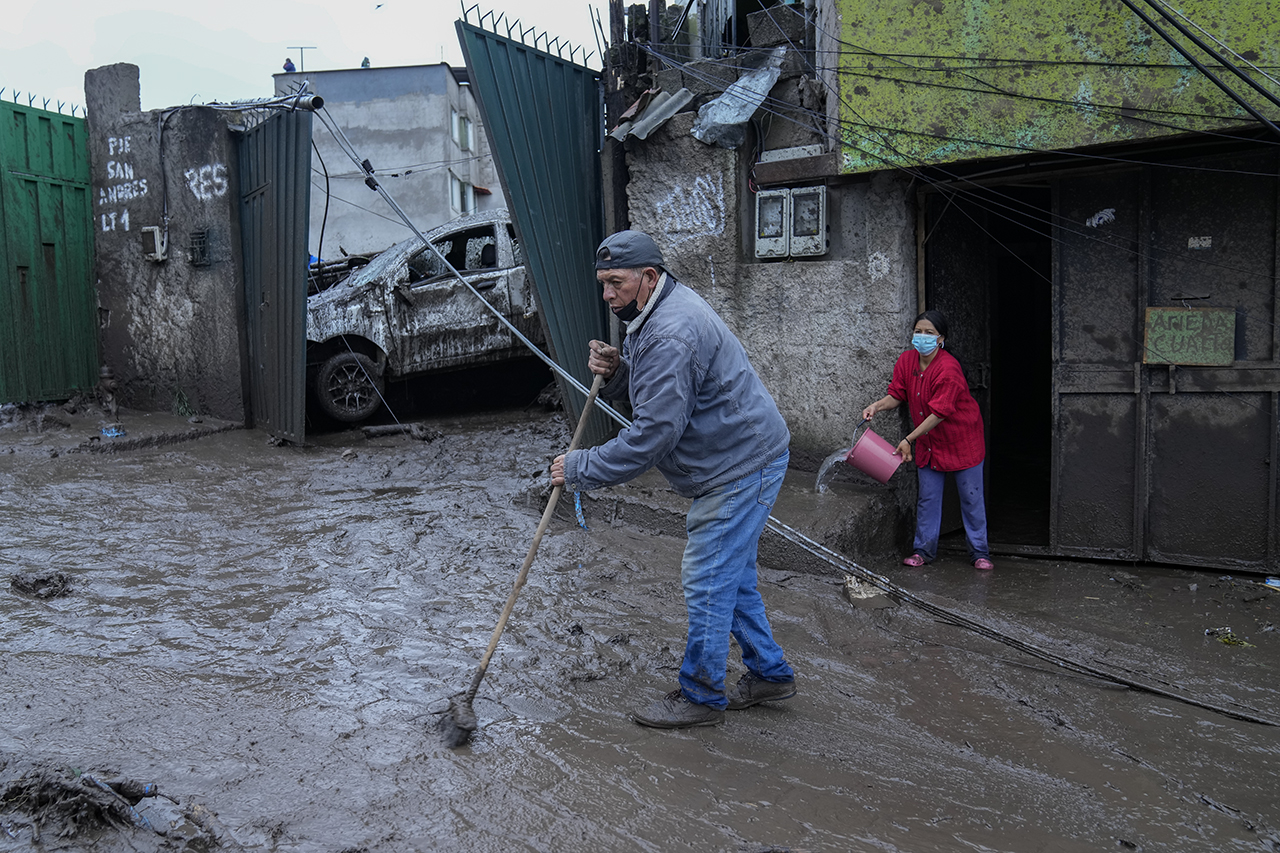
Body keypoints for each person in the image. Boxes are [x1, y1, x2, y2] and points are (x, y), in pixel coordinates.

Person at [550, 230, 796, 729]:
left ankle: (701, 695)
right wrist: (620, 375)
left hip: (738, 465)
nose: (607, 295)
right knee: (731, 576)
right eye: (602, 284)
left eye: (616, 283)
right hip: (740, 453)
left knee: (707, 577)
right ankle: (770, 673)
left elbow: (654, 435)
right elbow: (669, 390)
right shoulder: (656, 311)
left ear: (648, 276)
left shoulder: (670, 331)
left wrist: (580, 467)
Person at [861, 309, 993, 570]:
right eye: (918, 331)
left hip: (962, 440)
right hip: (929, 442)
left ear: (941, 339)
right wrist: (876, 406)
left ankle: (980, 553)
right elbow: (897, 394)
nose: (922, 337)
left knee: (971, 498)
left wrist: (908, 439)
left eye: (929, 333)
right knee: (928, 499)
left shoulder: (949, 368)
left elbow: (939, 413)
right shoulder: (906, 361)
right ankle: (923, 550)